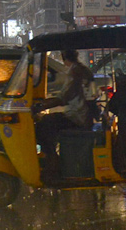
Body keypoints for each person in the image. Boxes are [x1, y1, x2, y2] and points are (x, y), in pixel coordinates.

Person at [33, 49, 95, 180]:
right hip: (82, 115)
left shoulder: (75, 72)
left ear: (64, 57)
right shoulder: (82, 69)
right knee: (48, 121)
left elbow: (64, 98)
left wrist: (42, 106)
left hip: (78, 117)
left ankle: (53, 164)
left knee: (42, 126)